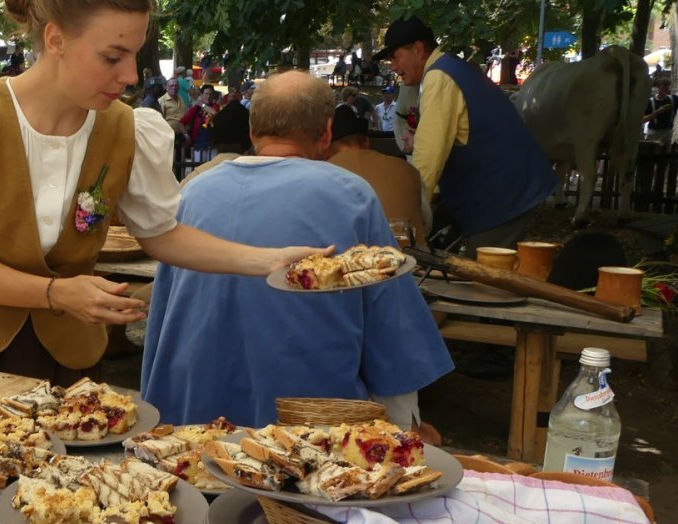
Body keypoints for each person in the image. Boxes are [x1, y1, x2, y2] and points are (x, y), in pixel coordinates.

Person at [0, 0, 328, 384]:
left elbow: (162, 233)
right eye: (112, 57)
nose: (130, 75)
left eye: (134, 56)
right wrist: (56, 292)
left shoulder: (128, 128)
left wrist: (268, 260)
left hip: (67, 357)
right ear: (56, 40)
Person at [142, 71, 452, 427]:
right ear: (327, 133)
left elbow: (163, 321)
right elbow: (391, 328)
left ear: (252, 131)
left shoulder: (192, 192)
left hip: (190, 421)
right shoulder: (350, 195)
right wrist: (404, 425)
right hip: (308, 430)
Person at [374, 15, 555, 256]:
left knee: (481, 273)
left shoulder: (439, 77)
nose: (393, 67)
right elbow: (454, 135)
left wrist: (406, 217)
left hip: (503, 195)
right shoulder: (450, 68)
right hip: (504, 189)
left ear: (418, 49)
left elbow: (428, 159)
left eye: (395, 57)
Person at [327, 106, 430, 243]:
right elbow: (427, 222)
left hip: (347, 255)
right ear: (366, 141)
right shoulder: (408, 170)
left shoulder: (320, 176)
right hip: (411, 254)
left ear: (326, 146)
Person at [644, 76, 678, 144]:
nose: (667, 88)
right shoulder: (651, 102)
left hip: (667, 132)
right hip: (653, 132)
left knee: (667, 150)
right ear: (658, 87)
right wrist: (657, 112)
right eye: (664, 85)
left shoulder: (673, 99)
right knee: (650, 149)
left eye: (668, 85)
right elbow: (643, 120)